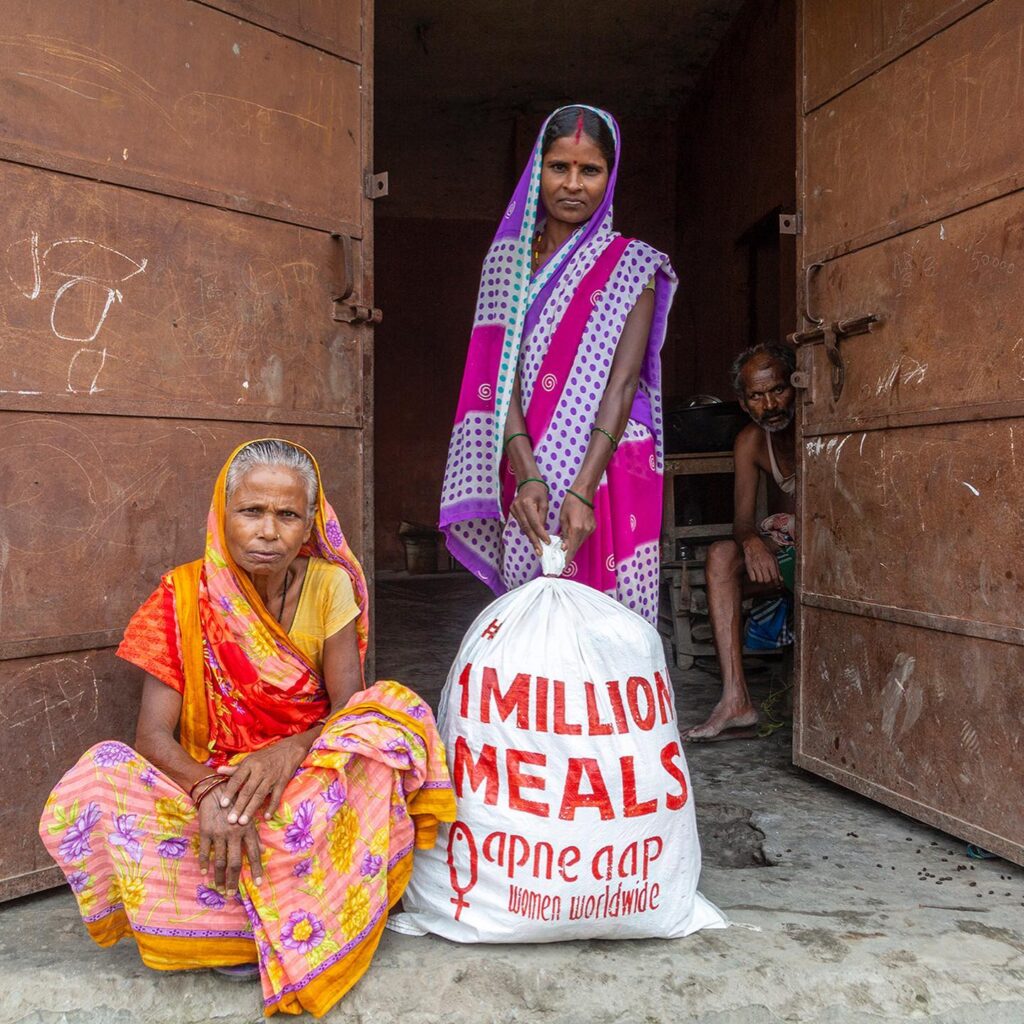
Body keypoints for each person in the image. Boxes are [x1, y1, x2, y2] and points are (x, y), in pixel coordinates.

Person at [39, 439, 455, 1017]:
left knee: (389, 716)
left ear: (310, 522)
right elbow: (152, 738)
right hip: (210, 782)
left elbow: (349, 709)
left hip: (305, 783)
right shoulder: (182, 595)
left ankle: (281, 913)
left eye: (287, 515)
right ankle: (248, 927)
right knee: (101, 773)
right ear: (222, 512)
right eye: (251, 511)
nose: (268, 531)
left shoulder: (329, 586)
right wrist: (211, 791)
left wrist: (286, 754)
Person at [440, 104, 677, 623]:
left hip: (608, 466)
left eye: (590, 170)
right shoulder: (508, 262)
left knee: (605, 625)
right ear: (537, 170)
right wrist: (529, 475)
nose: (573, 184)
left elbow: (623, 383)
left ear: (609, 178)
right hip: (527, 461)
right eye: (558, 167)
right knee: (532, 622)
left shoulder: (632, 265)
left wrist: (583, 489)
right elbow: (495, 376)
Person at [683, 344, 797, 741]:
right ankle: (736, 700)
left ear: (796, 386)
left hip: (831, 557)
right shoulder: (751, 441)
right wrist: (751, 540)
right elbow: (743, 521)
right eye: (757, 396)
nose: (770, 404)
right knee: (721, 556)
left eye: (778, 390)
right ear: (744, 403)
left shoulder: (818, 427)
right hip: (791, 559)